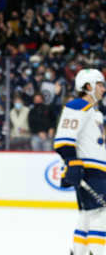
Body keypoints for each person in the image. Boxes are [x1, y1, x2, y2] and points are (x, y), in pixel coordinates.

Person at [53, 69, 106, 255]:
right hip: (89, 171)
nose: (103, 89)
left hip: (97, 171)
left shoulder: (95, 112)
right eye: (100, 84)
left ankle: (79, 252)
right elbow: (64, 138)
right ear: (88, 86)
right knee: (101, 215)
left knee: (87, 215)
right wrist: (72, 161)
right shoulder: (78, 105)